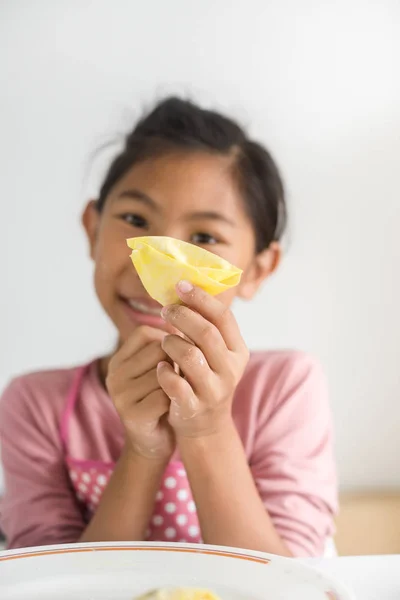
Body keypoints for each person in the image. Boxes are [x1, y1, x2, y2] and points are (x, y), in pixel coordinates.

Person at [0, 97, 337, 556]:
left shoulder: (284, 388)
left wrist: (207, 428)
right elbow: (51, 583)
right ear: (91, 228)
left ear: (258, 268)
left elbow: (286, 583)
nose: (157, 268)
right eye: (135, 221)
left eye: (203, 238)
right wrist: (142, 450)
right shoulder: (35, 405)